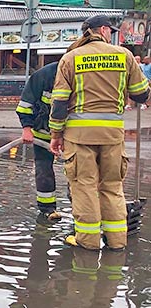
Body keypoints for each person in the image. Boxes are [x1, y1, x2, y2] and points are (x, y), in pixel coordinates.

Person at [49, 15, 150, 251]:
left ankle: (88, 242)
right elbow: (141, 94)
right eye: (110, 31)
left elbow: (60, 102)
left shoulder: (71, 58)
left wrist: (56, 134)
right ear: (103, 30)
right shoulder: (123, 55)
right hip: (113, 135)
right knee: (113, 187)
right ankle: (117, 242)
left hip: (79, 137)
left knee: (84, 186)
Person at [16, 61, 63, 225]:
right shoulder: (43, 76)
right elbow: (24, 105)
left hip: (71, 136)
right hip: (43, 134)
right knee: (44, 171)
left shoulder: (80, 75)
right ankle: (47, 210)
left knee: (78, 175)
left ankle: (82, 210)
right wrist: (27, 128)